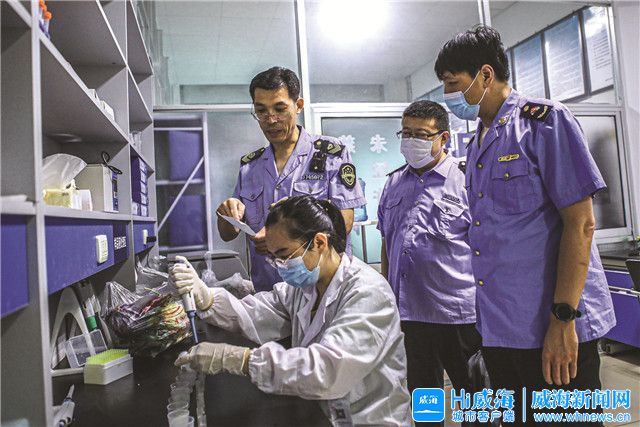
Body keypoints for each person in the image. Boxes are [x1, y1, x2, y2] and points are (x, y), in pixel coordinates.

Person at [434, 26, 616, 425]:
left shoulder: (544, 123)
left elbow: (581, 224)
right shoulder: (478, 143)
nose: (448, 95)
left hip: (551, 325)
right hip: (501, 330)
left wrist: (563, 319)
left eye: (453, 84)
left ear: (485, 75)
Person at [171, 196, 411, 425]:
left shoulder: (368, 292)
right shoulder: (305, 288)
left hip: (369, 419)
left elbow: (327, 370)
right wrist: (206, 298)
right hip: (325, 412)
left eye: (285, 255)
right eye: (274, 258)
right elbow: (256, 313)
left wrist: (239, 360)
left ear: (319, 242)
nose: (280, 266)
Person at [216, 67, 366, 292]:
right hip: (268, 291)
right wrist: (225, 215)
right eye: (261, 111)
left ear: (298, 105)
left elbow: (343, 223)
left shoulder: (330, 154)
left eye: (280, 109)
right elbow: (228, 234)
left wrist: (279, 240)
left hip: (320, 290)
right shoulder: (250, 167)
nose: (271, 119)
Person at [378, 100, 480, 426]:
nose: (411, 141)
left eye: (421, 135)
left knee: (475, 398)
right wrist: (390, 298)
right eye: (406, 133)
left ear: (443, 138)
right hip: (411, 317)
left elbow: (485, 248)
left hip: (459, 315)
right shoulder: (394, 183)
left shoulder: (467, 180)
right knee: (424, 400)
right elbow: (388, 243)